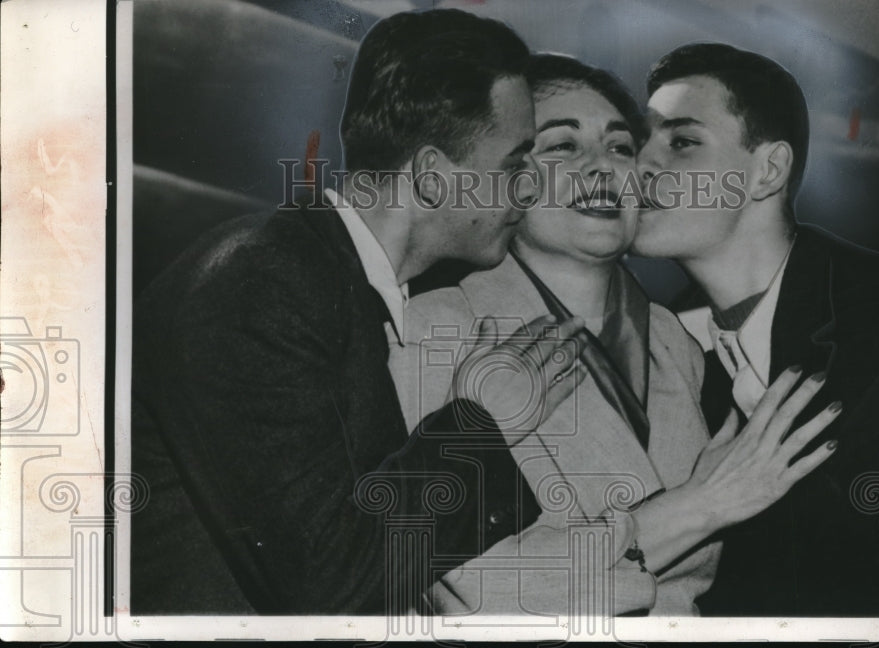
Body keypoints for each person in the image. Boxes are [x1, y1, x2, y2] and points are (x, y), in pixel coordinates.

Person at [130, 9, 591, 615]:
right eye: (513, 164)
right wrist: (483, 424)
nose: (529, 189)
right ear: (433, 177)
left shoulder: (337, 284)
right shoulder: (264, 282)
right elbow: (326, 585)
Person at [392, 53, 841, 616]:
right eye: (561, 146)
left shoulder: (678, 343)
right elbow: (474, 586)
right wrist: (702, 505)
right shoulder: (437, 329)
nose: (602, 168)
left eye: (621, 147)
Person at [634, 43, 879, 616]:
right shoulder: (656, 352)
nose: (641, 166)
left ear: (767, 170)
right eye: (640, 142)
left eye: (681, 142)